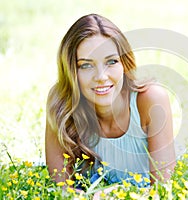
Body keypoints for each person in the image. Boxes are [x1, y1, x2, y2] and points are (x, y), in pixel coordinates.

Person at [45, 13, 175, 189]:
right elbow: (62, 189)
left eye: (111, 62)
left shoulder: (151, 100)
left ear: (124, 64)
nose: (101, 77)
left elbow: (163, 188)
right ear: (71, 71)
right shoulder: (62, 102)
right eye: (86, 65)